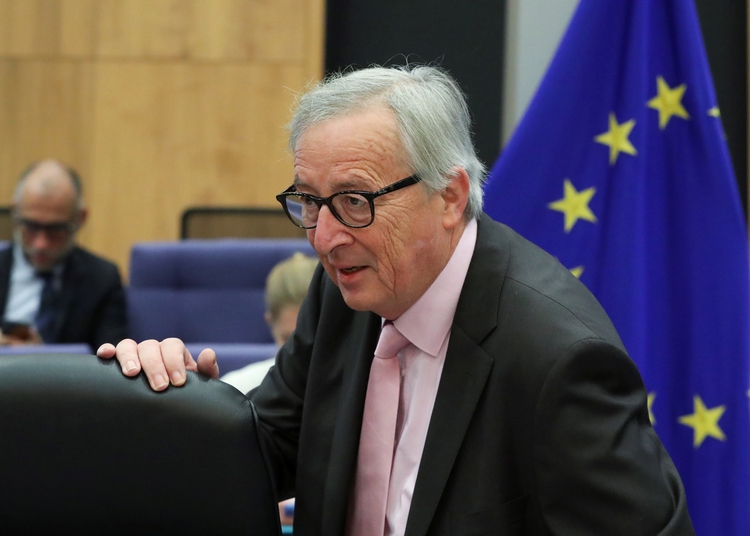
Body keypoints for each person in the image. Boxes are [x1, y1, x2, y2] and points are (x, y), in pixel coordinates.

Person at [99, 65, 694, 535]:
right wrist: (174, 399)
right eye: (309, 201)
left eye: (356, 201)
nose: (325, 238)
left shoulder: (555, 357)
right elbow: (269, 448)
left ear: (450, 195)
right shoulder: (347, 290)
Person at [0, 160, 128, 350]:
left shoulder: (101, 278)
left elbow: (114, 359)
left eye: (55, 229)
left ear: (80, 218)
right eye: (31, 226)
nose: (41, 243)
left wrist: (42, 356)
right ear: (15, 212)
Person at [221, 251, 318, 393]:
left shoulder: (359, 396)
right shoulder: (237, 390)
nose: (302, 353)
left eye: (313, 338)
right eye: (289, 340)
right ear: (271, 323)